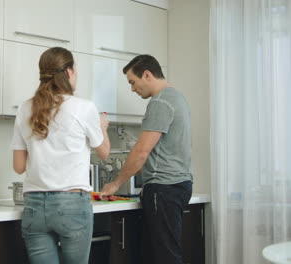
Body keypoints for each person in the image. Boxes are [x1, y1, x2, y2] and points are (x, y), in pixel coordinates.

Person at [10, 47, 110, 264]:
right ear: (68, 72)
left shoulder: (25, 108)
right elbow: (103, 152)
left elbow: (19, 166)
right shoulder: (84, 107)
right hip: (72, 205)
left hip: (34, 206)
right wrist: (102, 127)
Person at [100, 54, 193, 264]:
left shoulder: (160, 102)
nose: (132, 89)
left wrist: (115, 184)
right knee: (160, 254)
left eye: (133, 82)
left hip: (164, 189)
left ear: (147, 74)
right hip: (179, 184)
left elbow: (142, 151)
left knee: (164, 257)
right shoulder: (177, 97)